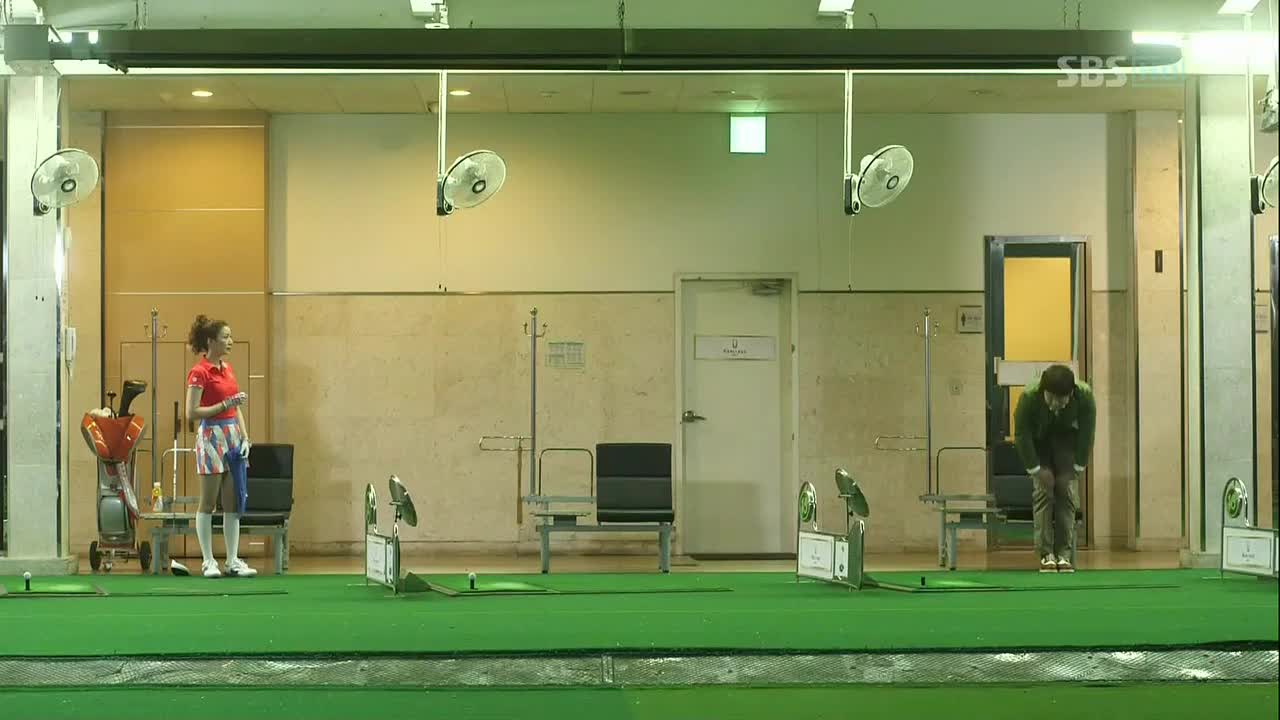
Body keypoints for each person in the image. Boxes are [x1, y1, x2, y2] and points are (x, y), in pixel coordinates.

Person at [185, 315, 256, 579]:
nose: (230, 341)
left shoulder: (228, 369)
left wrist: (245, 438)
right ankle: (208, 561)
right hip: (211, 437)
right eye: (225, 337)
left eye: (230, 336)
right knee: (208, 503)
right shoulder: (199, 372)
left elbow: (236, 407)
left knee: (232, 503)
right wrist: (223, 405)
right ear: (210, 341)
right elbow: (192, 412)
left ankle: (232, 560)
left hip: (233, 437)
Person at [1014, 364, 1096, 574]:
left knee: (1066, 493)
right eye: (1050, 398)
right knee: (1043, 492)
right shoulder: (1029, 397)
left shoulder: (1085, 396)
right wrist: (1037, 470)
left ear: (1071, 394)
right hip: (1039, 443)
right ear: (1044, 392)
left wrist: (1075, 469)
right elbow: (1022, 436)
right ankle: (1046, 554)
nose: (1054, 405)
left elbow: (1087, 434)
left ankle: (1064, 555)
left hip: (1067, 442)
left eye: (1061, 400)